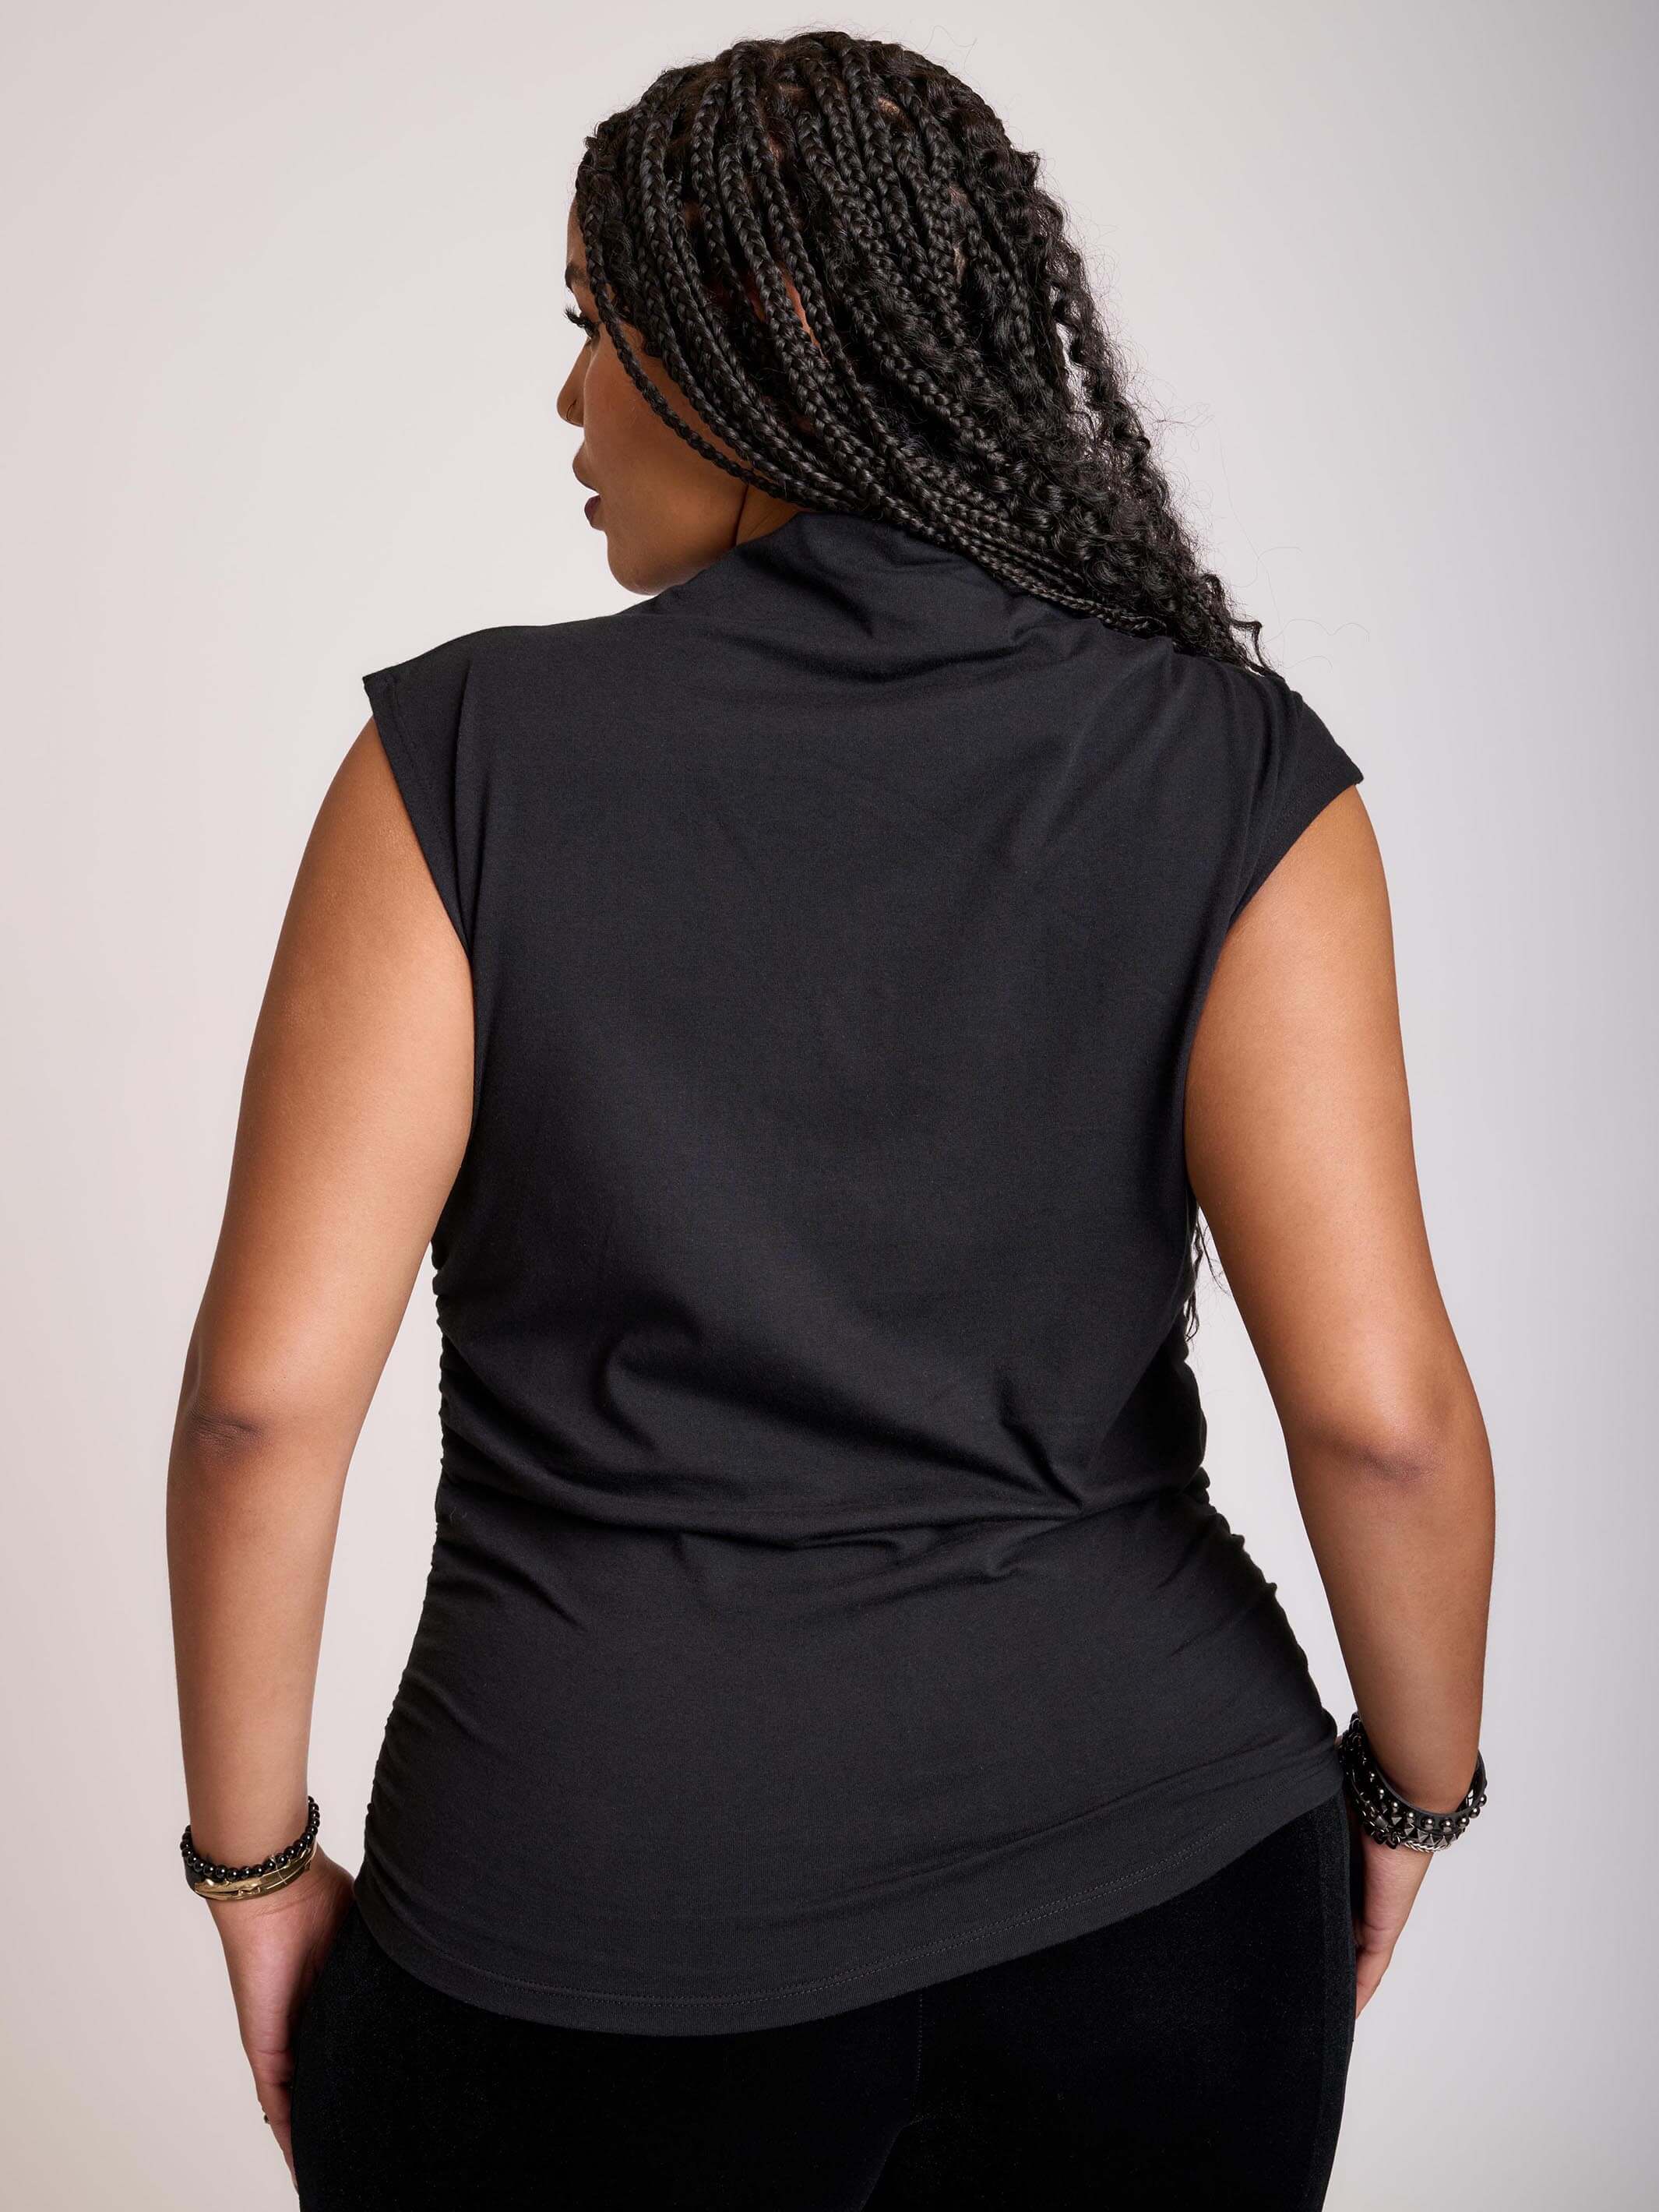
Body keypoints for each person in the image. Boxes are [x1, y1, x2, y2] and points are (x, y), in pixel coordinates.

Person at [166, 31, 1495, 2212]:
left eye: (598, 324)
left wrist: (250, 1866)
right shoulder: (1233, 767)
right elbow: (1383, 1422)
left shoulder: (460, 762)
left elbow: (256, 1414)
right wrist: (1412, 1796)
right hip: (1161, 1894)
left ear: (759, 331)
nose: (568, 397)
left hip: (578, 1928)